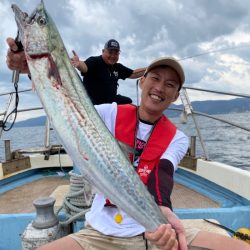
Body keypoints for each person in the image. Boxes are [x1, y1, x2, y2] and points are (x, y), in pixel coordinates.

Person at [6, 39, 250, 250]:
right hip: (101, 233)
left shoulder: (177, 138)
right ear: (141, 82)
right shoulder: (107, 115)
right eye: (155, 78)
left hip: (155, 225)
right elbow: (66, 104)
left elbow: (163, 172)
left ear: (176, 96)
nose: (160, 88)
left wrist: (162, 209)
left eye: (170, 84)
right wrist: (33, 68)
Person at [71, 39, 146, 105]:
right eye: (110, 52)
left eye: (116, 53)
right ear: (103, 51)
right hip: (93, 102)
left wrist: (151, 68)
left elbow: (133, 73)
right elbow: (85, 67)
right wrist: (79, 64)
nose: (113, 56)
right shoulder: (94, 61)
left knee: (127, 101)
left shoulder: (118, 67)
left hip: (110, 102)